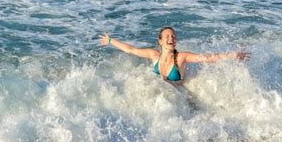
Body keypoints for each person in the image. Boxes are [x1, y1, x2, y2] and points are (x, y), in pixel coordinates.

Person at [99, 27, 249, 84]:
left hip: (179, 98)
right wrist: (111, 40)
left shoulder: (181, 57)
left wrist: (232, 55)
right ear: (160, 41)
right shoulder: (154, 55)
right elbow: (131, 49)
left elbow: (206, 58)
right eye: (167, 36)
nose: (171, 39)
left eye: (173, 36)